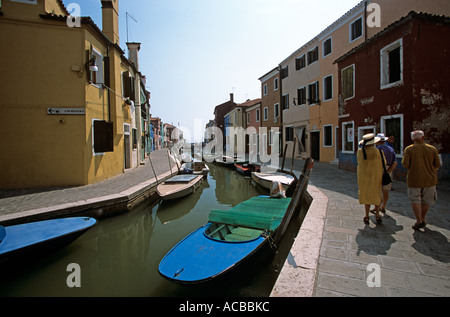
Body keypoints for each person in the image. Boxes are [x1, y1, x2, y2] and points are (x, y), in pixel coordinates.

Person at [402, 130, 441, 230]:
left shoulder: (409, 149)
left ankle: (418, 220)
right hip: (430, 179)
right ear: (423, 137)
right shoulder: (432, 149)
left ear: (412, 139)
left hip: (414, 179)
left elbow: (405, 164)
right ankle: (423, 218)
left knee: (415, 199)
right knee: (426, 200)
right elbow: (437, 164)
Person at [357, 133, 384, 225]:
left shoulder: (360, 152)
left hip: (363, 177)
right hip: (376, 177)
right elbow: (384, 162)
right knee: (377, 195)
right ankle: (377, 215)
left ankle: (367, 215)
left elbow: (358, 161)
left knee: (366, 195)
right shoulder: (378, 152)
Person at [375, 133, 397, 213]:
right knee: (386, 190)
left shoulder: (377, 149)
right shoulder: (391, 149)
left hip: (378, 169)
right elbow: (395, 163)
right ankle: (383, 206)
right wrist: (388, 172)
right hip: (389, 169)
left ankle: (376, 206)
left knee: (377, 190)